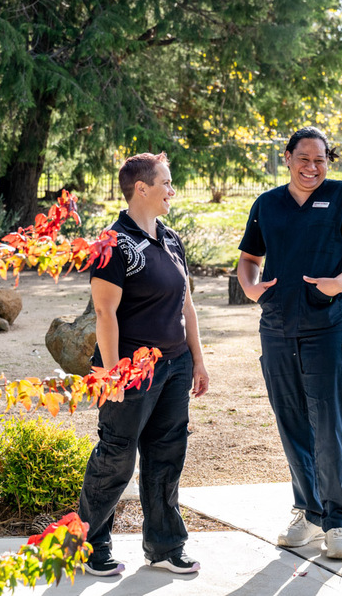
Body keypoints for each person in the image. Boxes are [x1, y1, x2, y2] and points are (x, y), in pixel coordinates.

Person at [237, 126, 342, 559]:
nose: (313, 167)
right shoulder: (268, 205)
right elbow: (249, 258)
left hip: (329, 326)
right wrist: (250, 288)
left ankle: (337, 521)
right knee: (292, 421)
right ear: (287, 157)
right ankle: (308, 510)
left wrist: (339, 283)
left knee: (330, 423)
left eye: (320, 159)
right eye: (304, 158)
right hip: (278, 326)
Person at [77, 152, 209, 577]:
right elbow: (104, 314)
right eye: (167, 183)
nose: (172, 190)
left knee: (167, 455)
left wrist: (198, 362)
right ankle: (87, 545)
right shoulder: (112, 242)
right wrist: (113, 374)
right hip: (128, 373)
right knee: (116, 457)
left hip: (174, 367)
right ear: (142, 188)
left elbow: (186, 304)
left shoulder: (170, 239)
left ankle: (166, 545)